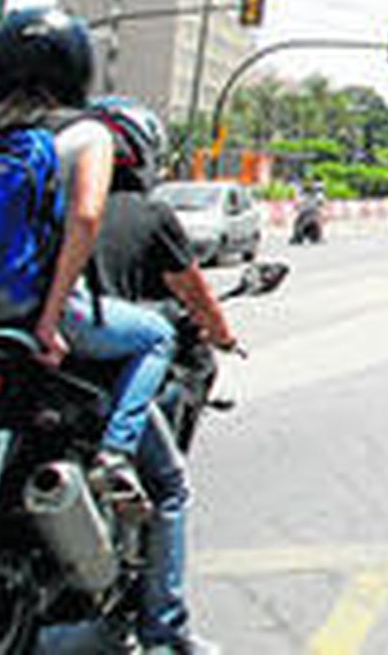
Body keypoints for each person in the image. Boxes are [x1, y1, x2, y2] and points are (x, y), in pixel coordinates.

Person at [0, 8, 173, 504]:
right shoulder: (87, 133)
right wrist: (49, 321)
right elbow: (86, 217)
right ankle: (114, 454)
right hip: (39, 316)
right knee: (158, 336)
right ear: (77, 68)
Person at [88, 95, 242, 654]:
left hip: (31, 361)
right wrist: (224, 337)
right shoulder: (151, 216)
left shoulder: (53, 204)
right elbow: (196, 294)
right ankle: (165, 629)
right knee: (169, 487)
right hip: (100, 371)